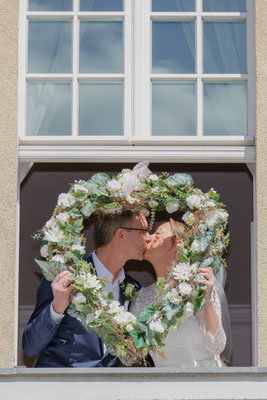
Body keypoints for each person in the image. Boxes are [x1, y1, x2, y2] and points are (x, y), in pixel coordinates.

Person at [23, 210, 151, 368]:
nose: (149, 238)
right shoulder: (66, 276)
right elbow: (30, 347)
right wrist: (56, 309)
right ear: (121, 235)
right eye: (144, 231)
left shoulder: (132, 288)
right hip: (59, 389)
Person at [130, 219, 231, 368]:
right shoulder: (141, 299)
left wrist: (208, 300)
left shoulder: (199, 288)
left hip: (204, 383)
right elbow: (131, 354)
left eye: (157, 234)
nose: (148, 238)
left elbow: (216, 346)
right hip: (164, 386)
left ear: (178, 245)